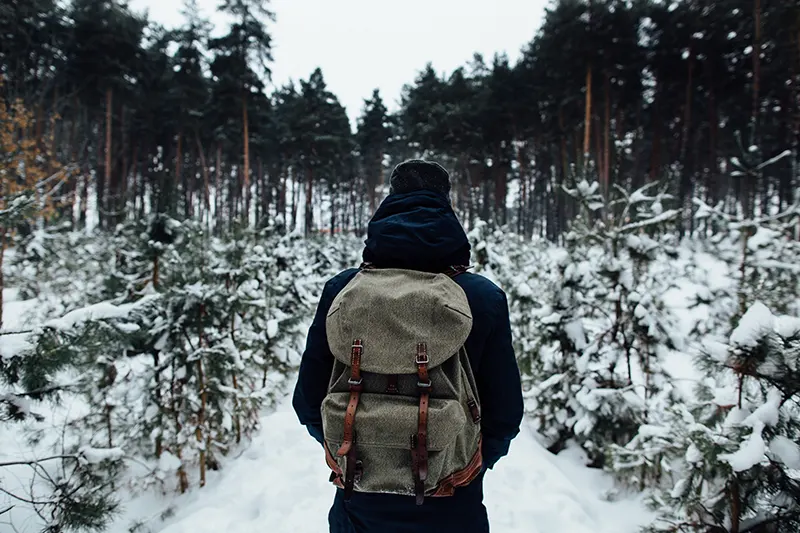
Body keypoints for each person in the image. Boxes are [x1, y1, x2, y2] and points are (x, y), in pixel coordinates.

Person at [292, 159, 523, 533]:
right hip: (453, 499)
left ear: (388, 205)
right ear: (447, 207)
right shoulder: (481, 297)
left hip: (358, 496)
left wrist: (352, 450)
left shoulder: (343, 290)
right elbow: (506, 413)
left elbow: (307, 399)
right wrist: (464, 464)